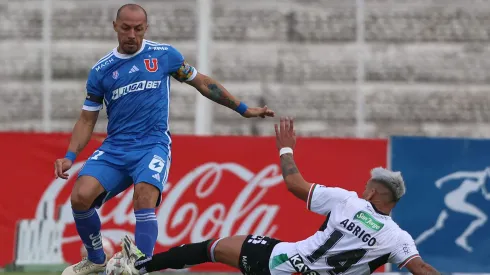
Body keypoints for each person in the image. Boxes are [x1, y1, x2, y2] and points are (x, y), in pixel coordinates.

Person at [54, 4, 274, 275]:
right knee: (80, 197)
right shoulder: (101, 70)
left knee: (144, 195)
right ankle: (96, 258)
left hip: (152, 144)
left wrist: (243, 109)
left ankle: (141, 266)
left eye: (138, 28)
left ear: (146, 28)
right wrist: (70, 156)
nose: (132, 34)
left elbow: (202, 82)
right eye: (126, 28)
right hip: (115, 148)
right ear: (115, 27)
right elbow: (87, 119)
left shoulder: (163, 55)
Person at [120, 117, 441, 275]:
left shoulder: (350, 201)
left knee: (212, 248)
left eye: (366, 186)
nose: (362, 189)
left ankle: (140, 266)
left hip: (282, 263)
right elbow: (421, 270)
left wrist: (285, 148)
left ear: (373, 191)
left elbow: (294, 184)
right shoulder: (398, 239)